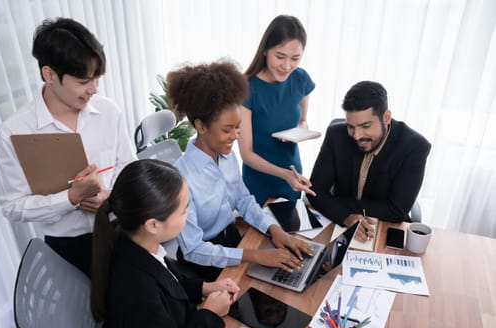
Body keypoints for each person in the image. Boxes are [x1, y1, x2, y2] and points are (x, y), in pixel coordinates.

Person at [0, 18, 135, 276]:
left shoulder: (108, 111)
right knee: (91, 314)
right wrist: (70, 198)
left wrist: (111, 197)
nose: (93, 89)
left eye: (97, 78)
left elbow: (129, 166)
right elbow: (12, 206)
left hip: (120, 229)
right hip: (67, 249)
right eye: (83, 81)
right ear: (49, 74)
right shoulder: (14, 131)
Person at [168, 61, 313, 282]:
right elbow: (193, 249)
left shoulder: (227, 156)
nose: (235, 136)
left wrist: (275, 230)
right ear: (201, 126)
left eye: (237, 127)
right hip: (204, 264)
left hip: (235, 241)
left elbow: (244, 201)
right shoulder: (181, 178)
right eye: (227, 130)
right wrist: (255, 255)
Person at [91, 159, 239, 328]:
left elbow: (170, 284)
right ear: (153, 225)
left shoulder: (136, 244)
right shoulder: (136, 291)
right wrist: (210, 313)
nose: (189, 212)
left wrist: (206, 288)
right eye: (184, 209)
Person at [307, 81, 431, 242]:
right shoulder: (336, 135)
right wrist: (346, 217)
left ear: (386, 117)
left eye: (365, 126)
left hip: (384, 229)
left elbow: (396, 211)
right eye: (351, 126)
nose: (357, 135)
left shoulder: (414, 147)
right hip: (341, 223)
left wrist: (337, 203)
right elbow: (315, 190)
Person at [238, 15, 316, 206]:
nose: (287, 66)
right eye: (280, 56)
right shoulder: (247, 88)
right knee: (257, 234)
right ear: (265, 50)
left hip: (292, 174)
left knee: (293, 232)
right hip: (259, 181)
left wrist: (299, 132)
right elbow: (246, 154)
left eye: (295, 58)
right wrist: (284, 175)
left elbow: (303, 121)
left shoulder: (301, 79)